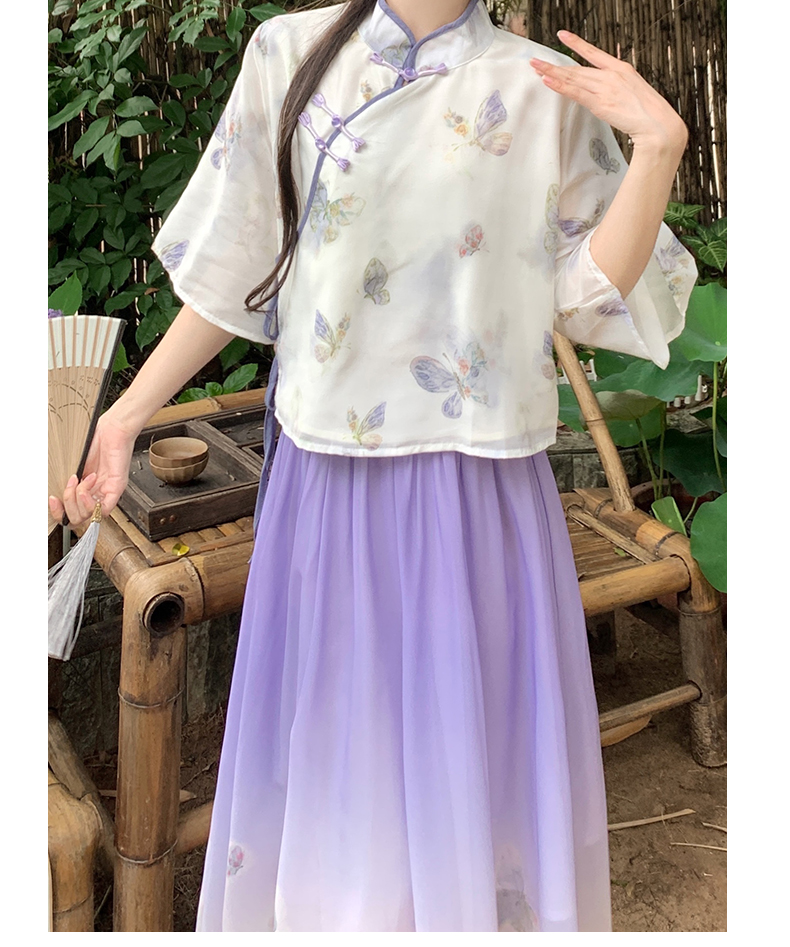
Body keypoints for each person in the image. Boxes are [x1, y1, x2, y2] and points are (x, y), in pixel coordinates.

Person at [49, 0, 696, 933]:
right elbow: (239, 269)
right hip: (332, 490)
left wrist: (661, 149)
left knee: (470, 776)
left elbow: (589, 296)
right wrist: (123, 417)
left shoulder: (539, 85)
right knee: (342, 778)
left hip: (482, 489)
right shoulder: (287, 52)